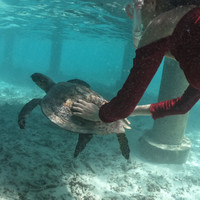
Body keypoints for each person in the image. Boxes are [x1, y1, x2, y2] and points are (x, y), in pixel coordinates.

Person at [72, 5, 200, 123]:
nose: (137, 13)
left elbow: (122, 107)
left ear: (150, 3)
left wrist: (100, 114)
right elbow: (182, 106)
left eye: (137, 7)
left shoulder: (165, 22)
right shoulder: (189, 21)